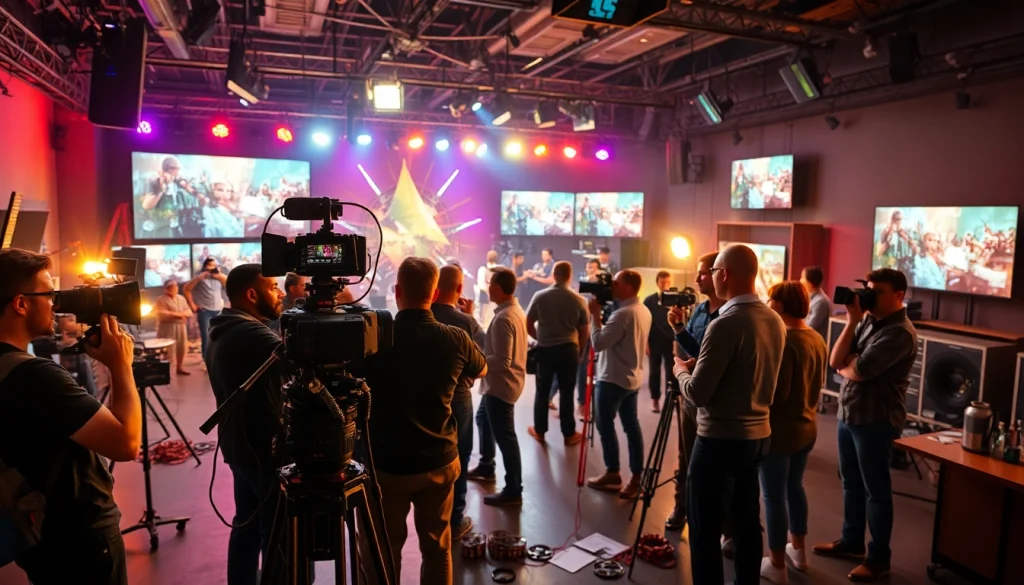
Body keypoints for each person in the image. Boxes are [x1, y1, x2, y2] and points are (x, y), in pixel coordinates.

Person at [0, 248, 141, 585]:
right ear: (21, 303)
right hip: (78, 538)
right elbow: (126, 444)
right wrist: (121, 366)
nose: (56, 304)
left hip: (37, 528)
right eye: (49, 294)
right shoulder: (36, 376)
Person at [366, 257, 487, 585]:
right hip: (438, 462)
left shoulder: (374, 339)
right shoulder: (455, 338)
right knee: (437, 549)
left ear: (396, 291)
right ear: (435, 293)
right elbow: (482, 368)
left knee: (385, 546)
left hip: (388, 467)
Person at [672, 244, 786, 585]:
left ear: (725, 274)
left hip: (719, 439)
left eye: (715, 270)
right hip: (758, 436)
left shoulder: (725, 324)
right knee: (746, 523)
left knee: (704, 530)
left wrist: (680, 370)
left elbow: (697, 393)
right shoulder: (774, 319)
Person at [812, 268, 917, 583]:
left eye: (877, 291)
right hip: (850, 414)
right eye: (868, 289)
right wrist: (852, 323)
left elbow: (863, 370)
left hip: (876, 420)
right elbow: (835, 361)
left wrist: (850, 364)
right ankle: (852, 541)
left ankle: (878, 559)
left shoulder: (900, 332)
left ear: (899, 295)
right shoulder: (868, 320)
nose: (869, 296)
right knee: (850, 482)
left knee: (876, 491)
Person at [205, 264, 285, 585]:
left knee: (247, 525)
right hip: (262, 449)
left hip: (241, 446)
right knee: (274, 533)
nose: (279, 294)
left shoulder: (223, 327)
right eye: (273, 288)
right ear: (252, 294)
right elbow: (304, 358)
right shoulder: (252, 334)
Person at [759, 282, 828, 584]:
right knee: (794, 488)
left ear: (781, 306)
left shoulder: (784, 341)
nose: (767, 302)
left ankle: (776, 564)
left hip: (781, 432)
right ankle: (798, 551)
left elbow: (778, 393)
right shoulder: (816, 337)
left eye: (770, 299)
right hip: (808, 427)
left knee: (773, 496)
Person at [665, 251, 725, 532]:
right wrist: (678, 327)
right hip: (691, 396)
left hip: (716, 401)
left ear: (718, 274)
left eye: (703, 272)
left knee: (716, 467)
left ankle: (721, 524)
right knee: (685, 456)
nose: (697, 278)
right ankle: (681, 506)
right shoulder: (700, 310)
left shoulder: (730, 314)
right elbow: (695, 348)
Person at [430, 265, 485, 539]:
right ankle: (454, 521)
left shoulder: (424, 315)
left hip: (427, 394)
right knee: (460, 455)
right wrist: (471, 317)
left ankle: (431, 515)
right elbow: (482, 361)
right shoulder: (465, 322)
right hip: (459, 396)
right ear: (460, 289)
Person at [585, 270, 651, 500]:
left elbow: (599, 343)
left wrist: (594, 317)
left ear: (629, 288)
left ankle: (613, 472)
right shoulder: (642, 310)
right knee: (631, 427)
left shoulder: (622, 314)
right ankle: (636, 477)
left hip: (612, 378)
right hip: (632, 377)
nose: (611, 285)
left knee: (604, 424)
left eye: (617, 282)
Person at [465, 268, 528, 506]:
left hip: (501, 387)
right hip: (501, 385)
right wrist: (471, 318)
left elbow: (501, 360)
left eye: (491, 283)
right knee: (483, 419)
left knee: (506, 437)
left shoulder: (503, 318)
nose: (487, 287)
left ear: (499, 288)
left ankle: (513, 489)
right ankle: (486, 466)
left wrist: (474, 365)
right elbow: (489, 343)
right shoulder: (511, 311)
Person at [525, 260, 588, 446]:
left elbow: (528, 323)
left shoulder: (540, 296)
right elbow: (584, 330)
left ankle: (540, 431)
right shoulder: (579, 300)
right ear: (569, 276)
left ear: (554, 274)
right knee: (567, 392)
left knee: (542, 391)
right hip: (569, 350)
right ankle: (569, 435)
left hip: (545, 350)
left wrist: (539, 338)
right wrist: (580, 351)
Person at [183, 257, 227, 365]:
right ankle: (206, 360)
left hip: (218, 310)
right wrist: (192, 305)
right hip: (205, 311)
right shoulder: (199, 278)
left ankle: (218, 358)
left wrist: (219, 275)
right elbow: (186, 289)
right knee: (206, 336)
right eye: (210, 265)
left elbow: (229, 283)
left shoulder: (219, 277)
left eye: (214, 265)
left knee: (220, 335)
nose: (212, 267)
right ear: (205, 266)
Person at [643, 270, 675, 413]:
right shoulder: (649, 301)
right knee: (654, 372)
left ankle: (671, 400)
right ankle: (654, 400)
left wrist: (677, 342)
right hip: (654, 340)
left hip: (670, 341)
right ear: (657, 283)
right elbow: (644, 324)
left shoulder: (675, 300)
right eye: (663, 282)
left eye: (668, 282)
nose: (665, 285)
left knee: (671, 372)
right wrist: (645, 342)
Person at [155, 280, 193, 375]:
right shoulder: (161, 299)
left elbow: (189, 311)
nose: (174, 288)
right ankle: (166, 370)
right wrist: (179, 315)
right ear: (166, 289)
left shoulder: (181, 298)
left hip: (180, 326)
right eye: (171, 286)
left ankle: (179, 367)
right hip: (168, 327)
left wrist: (179, 314)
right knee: (167, 349)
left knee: (181, 347)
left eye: (175, 286)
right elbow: (162, 313)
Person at [800, 266, 831, 341]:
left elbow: (809, 327)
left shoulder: (821, 301)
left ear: (809, 282)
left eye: (802, 277)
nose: (800, 280)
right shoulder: (808, 297)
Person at [475, 250, 500, 328]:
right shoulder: (484, 269)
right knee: (485, 314)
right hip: (487, 294)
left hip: (490, 294)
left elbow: (481, 284)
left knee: (488, 314)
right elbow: (481, 284)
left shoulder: (497, 269)